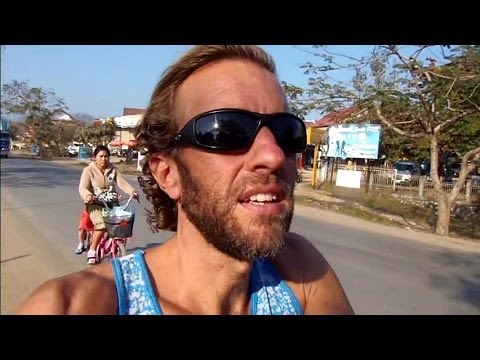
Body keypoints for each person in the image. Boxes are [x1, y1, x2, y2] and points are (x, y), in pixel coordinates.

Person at [15, 45, 354, 315]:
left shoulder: (300, 272)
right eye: (228, 131)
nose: (274, 155)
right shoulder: (73, 305)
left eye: (286, 132)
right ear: (167, 173)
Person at [77, 145, 139, 264]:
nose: (103, 159)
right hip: (95, 203)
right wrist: (88, 196)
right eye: (101, 156)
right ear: (95, 157)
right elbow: (82, 188)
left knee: (122, 223)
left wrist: (132, 191)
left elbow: (122, 183)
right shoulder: (88, 170)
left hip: (112, 202)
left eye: (106, 156)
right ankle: (92, 249)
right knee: (101, 225)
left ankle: (115, 245)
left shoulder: (113, 169)